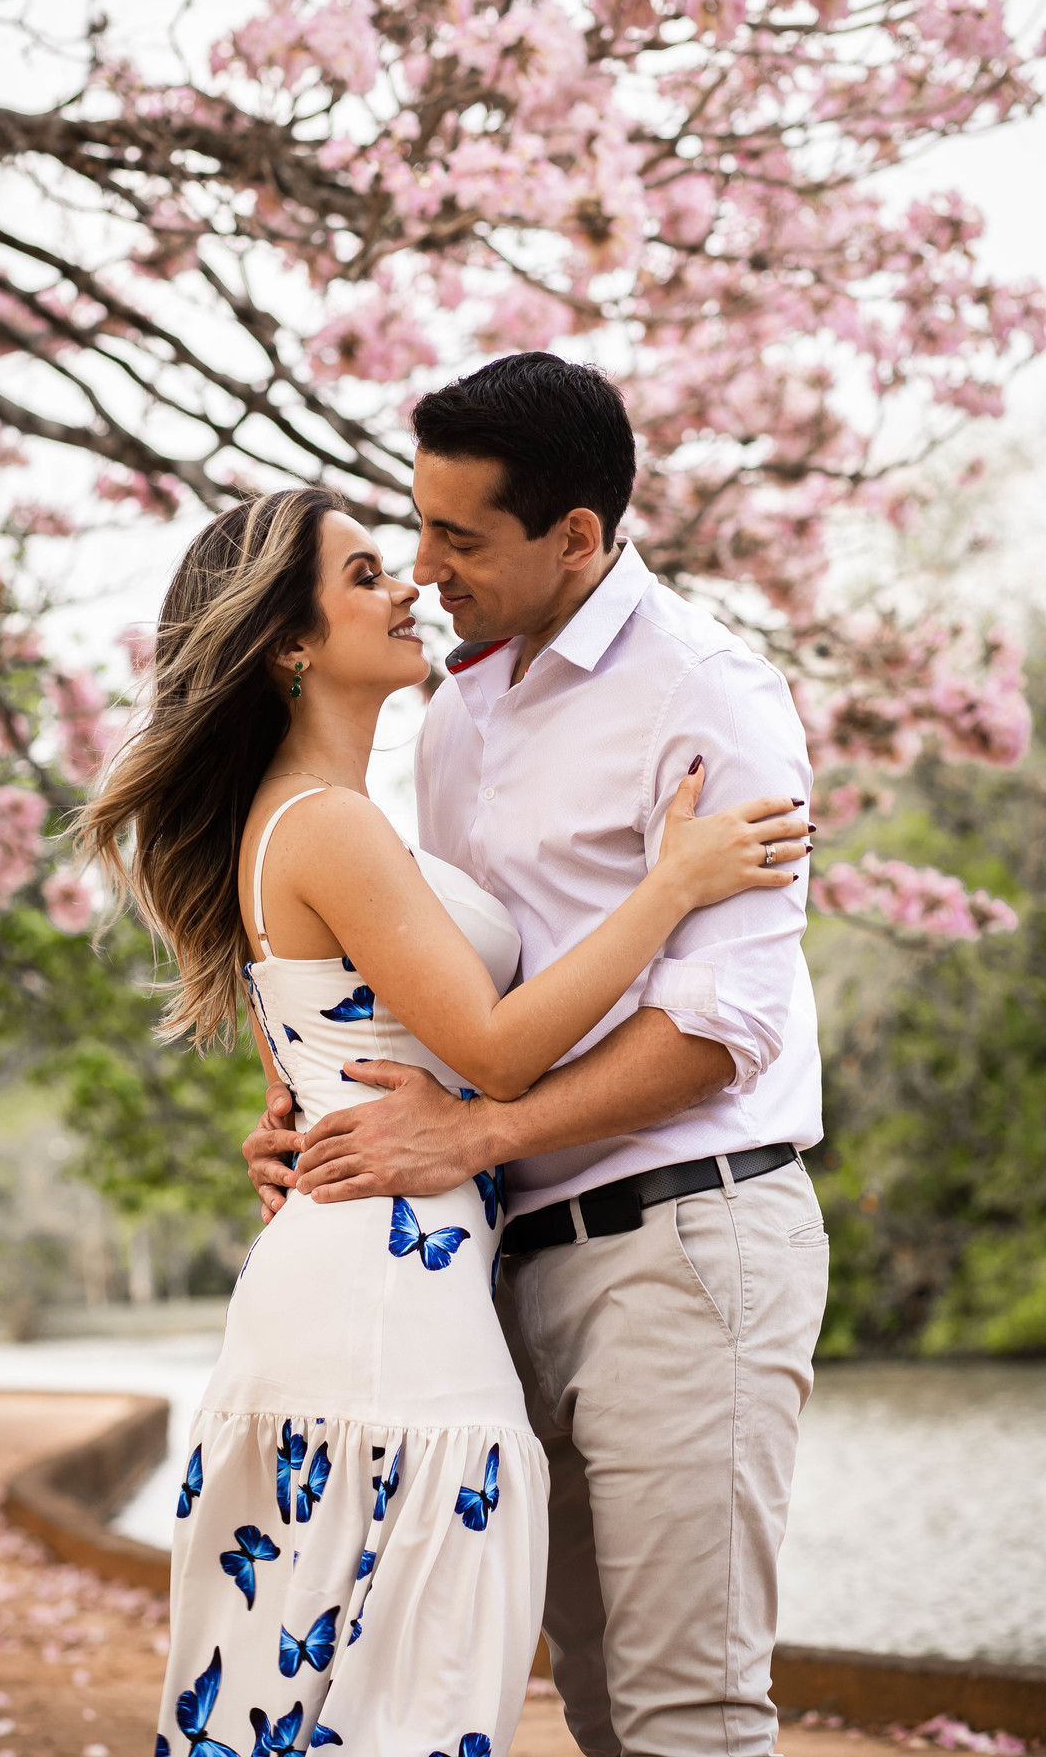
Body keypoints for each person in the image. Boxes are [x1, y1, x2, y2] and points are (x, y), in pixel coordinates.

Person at [77, 483, 810, 1757]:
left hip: (395, 1263)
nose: (411, 580)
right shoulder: (330, 822)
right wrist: (673, 885)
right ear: (287, 645)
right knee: (400, 1692)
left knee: (332, 1681)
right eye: (365, 573)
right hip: (388, 1295)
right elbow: (495, 1049)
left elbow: (329, 1045)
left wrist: (296, 1118)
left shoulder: (336, 813)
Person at [245, 354, 831, 1757]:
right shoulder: (456, 719)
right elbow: (451, 993)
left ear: (577, 534)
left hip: (682, 1244)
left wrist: (474, 1135)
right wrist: (310, 1100)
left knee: (691, 1708)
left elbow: (719, 1034)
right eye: (417, 527)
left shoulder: (707, 695)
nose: (429, 570)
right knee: (599, 1699)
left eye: (462, 539)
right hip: (502, 1264)